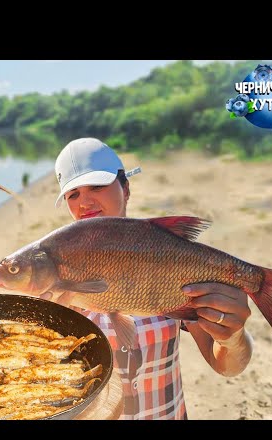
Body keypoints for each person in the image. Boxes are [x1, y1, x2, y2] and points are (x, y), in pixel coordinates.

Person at [43, 137, 253, 420]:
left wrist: (234, 337)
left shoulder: (166, 254)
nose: (85, 202)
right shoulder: (53, 275)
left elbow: (227, 365)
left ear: (126, 188)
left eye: (96, 186)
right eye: (73, 195)